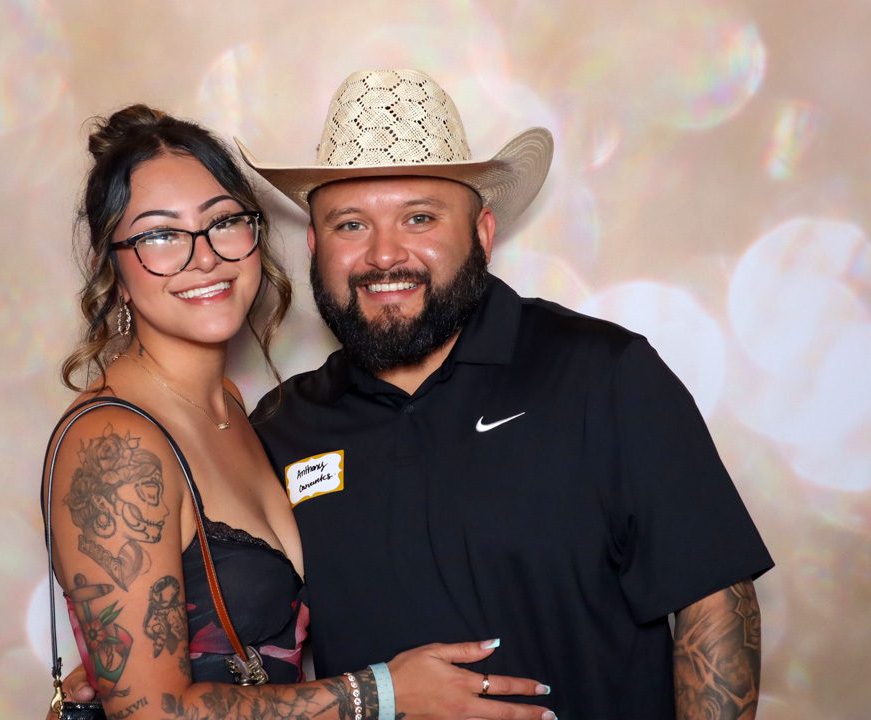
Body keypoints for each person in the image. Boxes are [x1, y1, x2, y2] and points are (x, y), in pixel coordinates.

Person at [233, 69, 775, 719]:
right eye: (350, 225)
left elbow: (712, 597)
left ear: (483, 234)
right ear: (315, 246)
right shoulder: (281, 427)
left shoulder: (603, 375)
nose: (383, 255)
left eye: (419, 218)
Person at [43, 103, 557, 720]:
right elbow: (150, 714)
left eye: (222, 222)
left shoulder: (243, 413)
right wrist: (384, 693)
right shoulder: (114, 443)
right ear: (114, 269)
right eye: (160, 235)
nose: (203, 257)